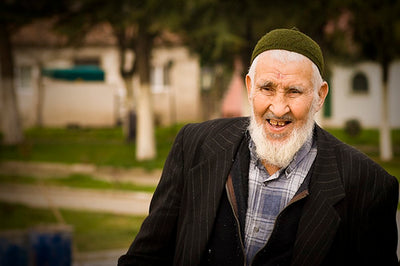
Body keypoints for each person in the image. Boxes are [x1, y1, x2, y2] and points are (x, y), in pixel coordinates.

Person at [118, 28, 399, 266]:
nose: (278, 108)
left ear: (319, 96)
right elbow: (146, 256)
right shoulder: (195, 145)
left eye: (294, 91)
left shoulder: (369, 183)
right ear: (250, 86)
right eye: (267, 88)